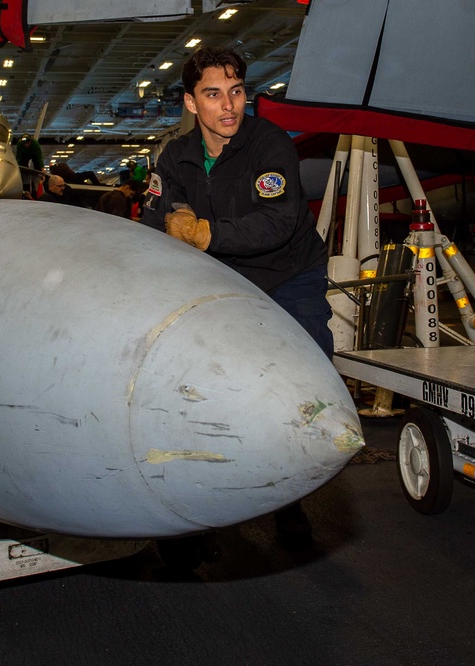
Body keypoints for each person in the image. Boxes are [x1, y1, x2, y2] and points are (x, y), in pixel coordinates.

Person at [142, 47, 332, 549]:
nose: (228, 106)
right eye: (212, 94)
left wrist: (204, 234)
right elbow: (153, 218)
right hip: (222, 283)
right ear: (190, 103)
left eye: (237, 92)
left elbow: (278, 222)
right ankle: (194, 516)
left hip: (288, 277)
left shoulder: (269, 145)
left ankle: (289, 501)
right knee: (198, 389)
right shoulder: (175, 157)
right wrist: (168, 223)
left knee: (302, 387)